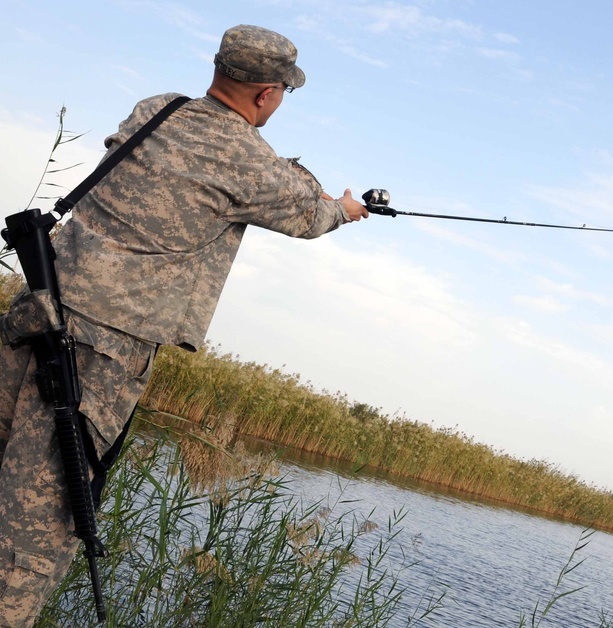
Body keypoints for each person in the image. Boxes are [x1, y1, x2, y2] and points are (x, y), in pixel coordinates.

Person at [0, 24, 368, 625]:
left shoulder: (157, 109)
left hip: (33, 313)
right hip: (96, 356)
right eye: (282, 94)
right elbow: (311, 215)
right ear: (267, 94)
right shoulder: (250, 161)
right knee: (36, 533)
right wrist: (350, 210)